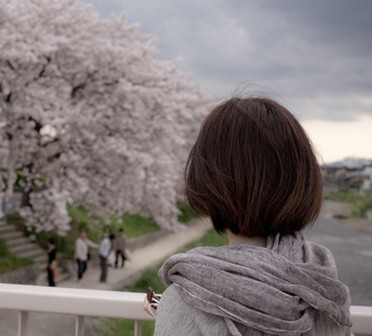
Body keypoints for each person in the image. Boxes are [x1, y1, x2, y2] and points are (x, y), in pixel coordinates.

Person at [144, 97, 354, 335]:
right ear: (304, 180)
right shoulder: (323, 283)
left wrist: (172, 314)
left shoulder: (187, 296)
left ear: (207, 181)